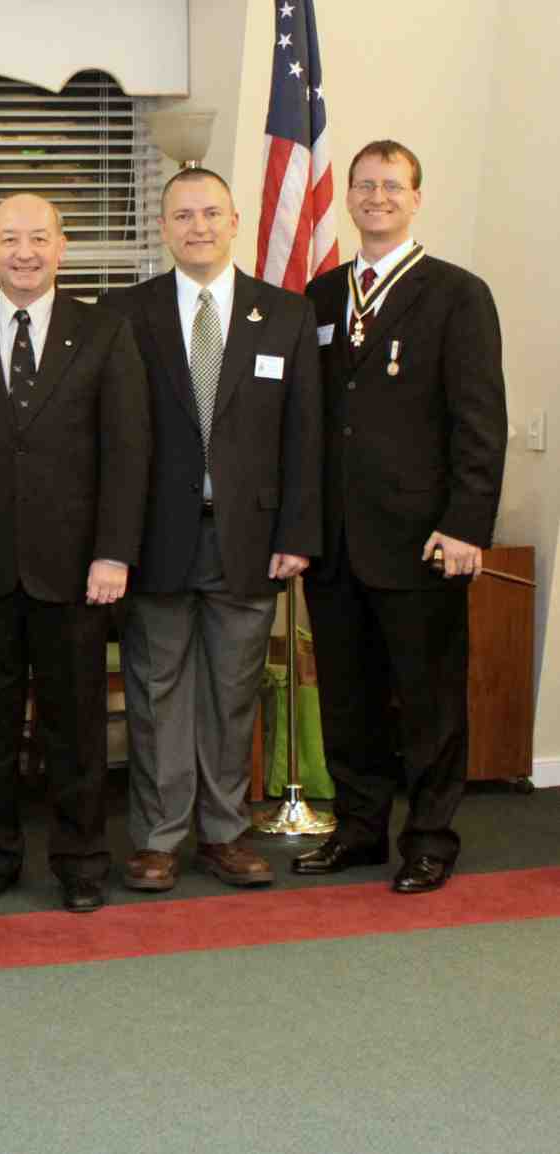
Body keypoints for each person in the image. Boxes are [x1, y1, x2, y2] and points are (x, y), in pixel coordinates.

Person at [0, 193, 149, 913]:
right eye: (9, 238)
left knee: (74, 723)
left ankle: (80, 860)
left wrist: (113, 553)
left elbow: (127, 450)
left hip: (77, 568)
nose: (24, 252)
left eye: (38, 238)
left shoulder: (104, 332)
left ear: (62, 246)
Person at [98, 168, 321, 893]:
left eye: (210, 214)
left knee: (231, 692)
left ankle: (224, 833)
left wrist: (297, 531)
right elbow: (110, 441)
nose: (197, 227)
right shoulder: (122, 314)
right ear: (163, 228)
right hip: (155, 538)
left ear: (235, 222)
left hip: (249, 539)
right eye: (182, 215)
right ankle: (158, 838)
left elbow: (303, 435)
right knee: (156, 692)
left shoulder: (283, 315)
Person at [293, 140, 507, 894]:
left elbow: (479, 421)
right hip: (334, 542)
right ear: (345, 198)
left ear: (416, 198)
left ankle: (428, 838)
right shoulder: (319, 298)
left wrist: (466, 525)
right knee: (348, 702)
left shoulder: (456, 294)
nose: (375, 196)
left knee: (427, 703)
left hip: (422, 541)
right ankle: (357, 832)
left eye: (391, 185)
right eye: (363, 185)